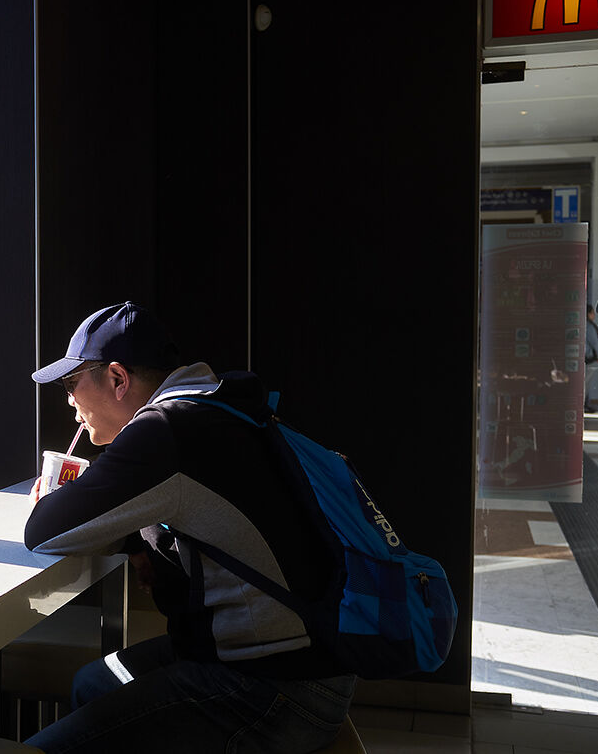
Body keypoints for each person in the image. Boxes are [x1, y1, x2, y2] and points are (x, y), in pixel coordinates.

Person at [23, 301, 356, 754]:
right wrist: (137, 544)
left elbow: (44, 531)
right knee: (95, 683)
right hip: (312, 662)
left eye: (71, 384)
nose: (69, 401)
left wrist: (46, 500)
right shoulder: (215, 405)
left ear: (117, 379)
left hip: (274, 688)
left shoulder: (165, 429)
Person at [585, 304, 598, 413]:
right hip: (589, 358)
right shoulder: (589, 326)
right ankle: (584, 404)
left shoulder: (585, 325)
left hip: (587, 358)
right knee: (585, 383)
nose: (594, 315)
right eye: (592, 312)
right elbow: (594, 343)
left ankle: (584, 404)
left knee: (585, 382)